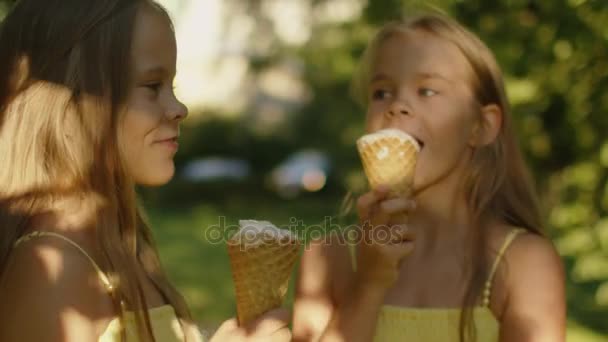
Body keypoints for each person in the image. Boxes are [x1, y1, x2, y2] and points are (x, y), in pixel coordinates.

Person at [0, 1, 291, 341]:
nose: (179, 109)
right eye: (152, 87)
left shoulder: (121, 248)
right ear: (69, 105)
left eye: (173, 87)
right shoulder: (51, 269)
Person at [292, 12, 566, 342]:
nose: (397, 105)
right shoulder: (328, 257)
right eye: (381, 93)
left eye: (428, 91)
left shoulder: (523, 264)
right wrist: (368, 283)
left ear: (482, 126)